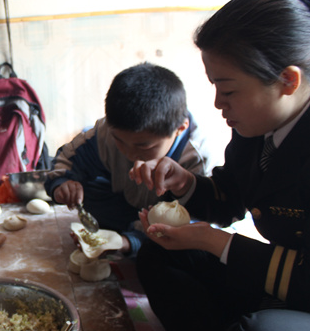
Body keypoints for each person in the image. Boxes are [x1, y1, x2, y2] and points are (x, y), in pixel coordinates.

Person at [131, 0, 310, 331]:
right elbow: (231, 199)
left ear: (288, 80)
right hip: (285, 288)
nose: (218, 103)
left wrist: (210, 240)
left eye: (229, 90)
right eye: (215, 86)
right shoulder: (258, 127)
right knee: (157, 254)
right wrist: (184, 182)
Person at [44, 62, 215, 256]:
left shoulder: (197, 157)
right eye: (119, 141)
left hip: (161, 228)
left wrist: (126, 242)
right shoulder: (106, 132)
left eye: (143, 146)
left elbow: (196, 221)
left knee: (175, 250)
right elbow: (66, 159)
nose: (130, 154)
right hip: (122, 208)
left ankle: (133, 241)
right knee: (90, 187)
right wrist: (62, 184)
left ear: (179, 129)